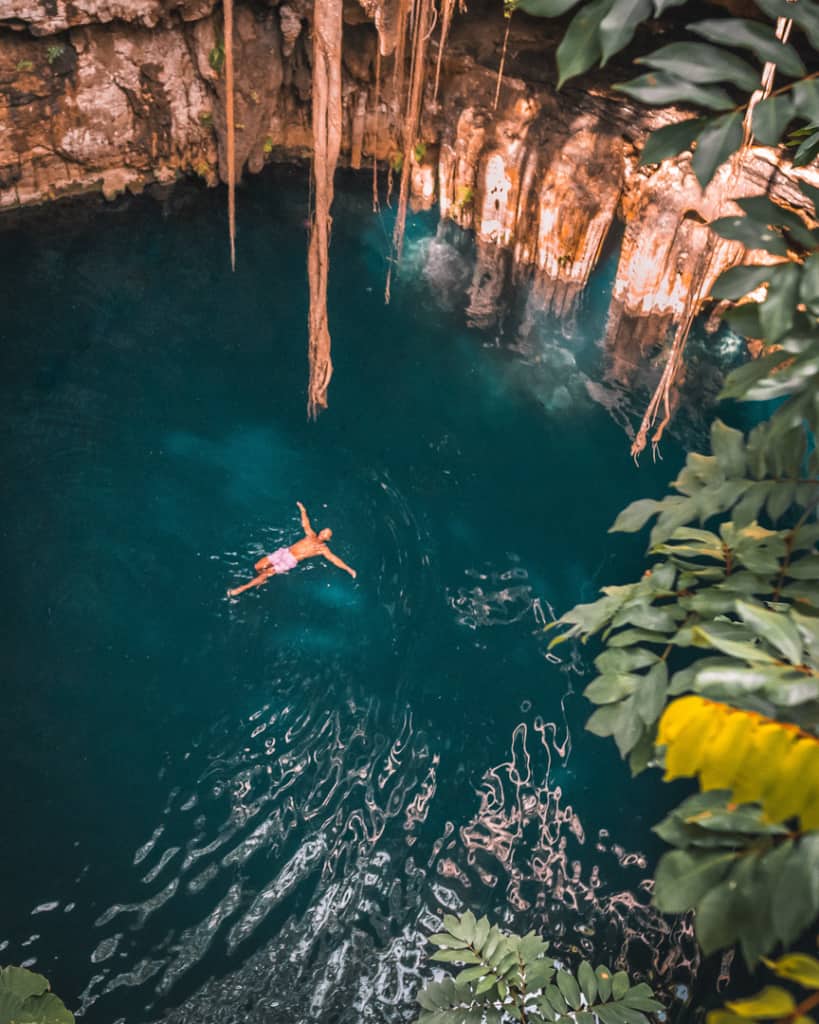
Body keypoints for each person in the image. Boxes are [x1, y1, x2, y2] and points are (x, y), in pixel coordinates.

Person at [227, 501, 357, 598]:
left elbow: (335, 560)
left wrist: (348, 569)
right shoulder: (310, 535)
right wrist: (303, 510)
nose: (323, 533)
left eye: (326, 534)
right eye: (323, 531)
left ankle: (241, 589)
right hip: (284, 552)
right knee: (258, 566)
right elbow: (305, 523)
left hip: (290, 561)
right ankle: (261, 579)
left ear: (327, 539)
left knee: (266, 573)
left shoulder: (322, 549)